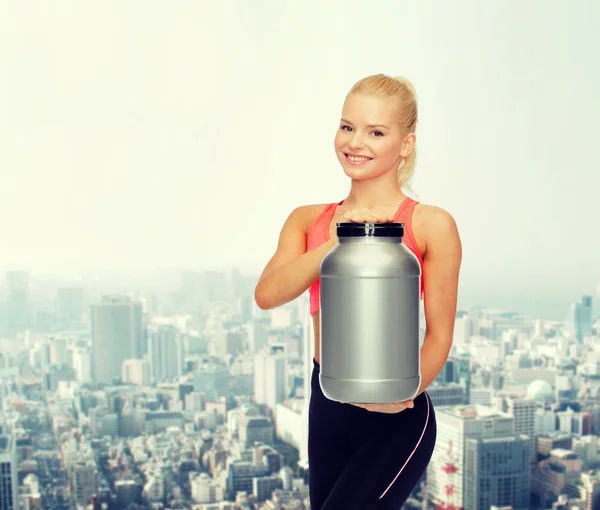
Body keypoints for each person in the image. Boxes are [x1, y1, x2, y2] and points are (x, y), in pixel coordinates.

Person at [254, 74, 462, 510]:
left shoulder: (430, 224)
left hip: (396, 417)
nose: (356, 142)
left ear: (405, 144)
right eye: (347, 127)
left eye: (376, 132)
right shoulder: (307, 220)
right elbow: (268, 293)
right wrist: (342, 239)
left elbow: (440, 334)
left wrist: (400, 395)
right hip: (326, 402)